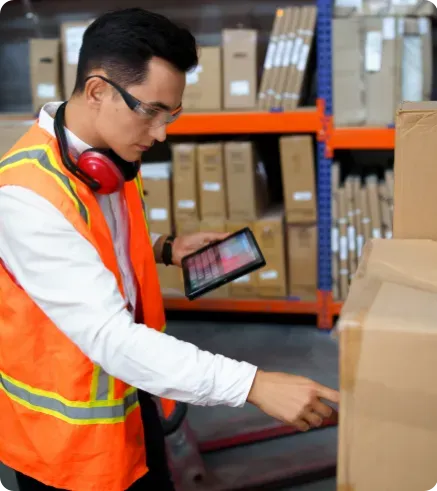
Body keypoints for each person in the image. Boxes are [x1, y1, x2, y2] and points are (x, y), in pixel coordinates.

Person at [0, 8, 339, 491]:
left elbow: (96, 238)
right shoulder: (25, 197)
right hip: (69, 447)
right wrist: (253, 384)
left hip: (136, 399)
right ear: (97, 91)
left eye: (172, 114)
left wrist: (165, 248)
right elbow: (109, 337)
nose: (161, 132)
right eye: (152, 111)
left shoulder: (106, 161)